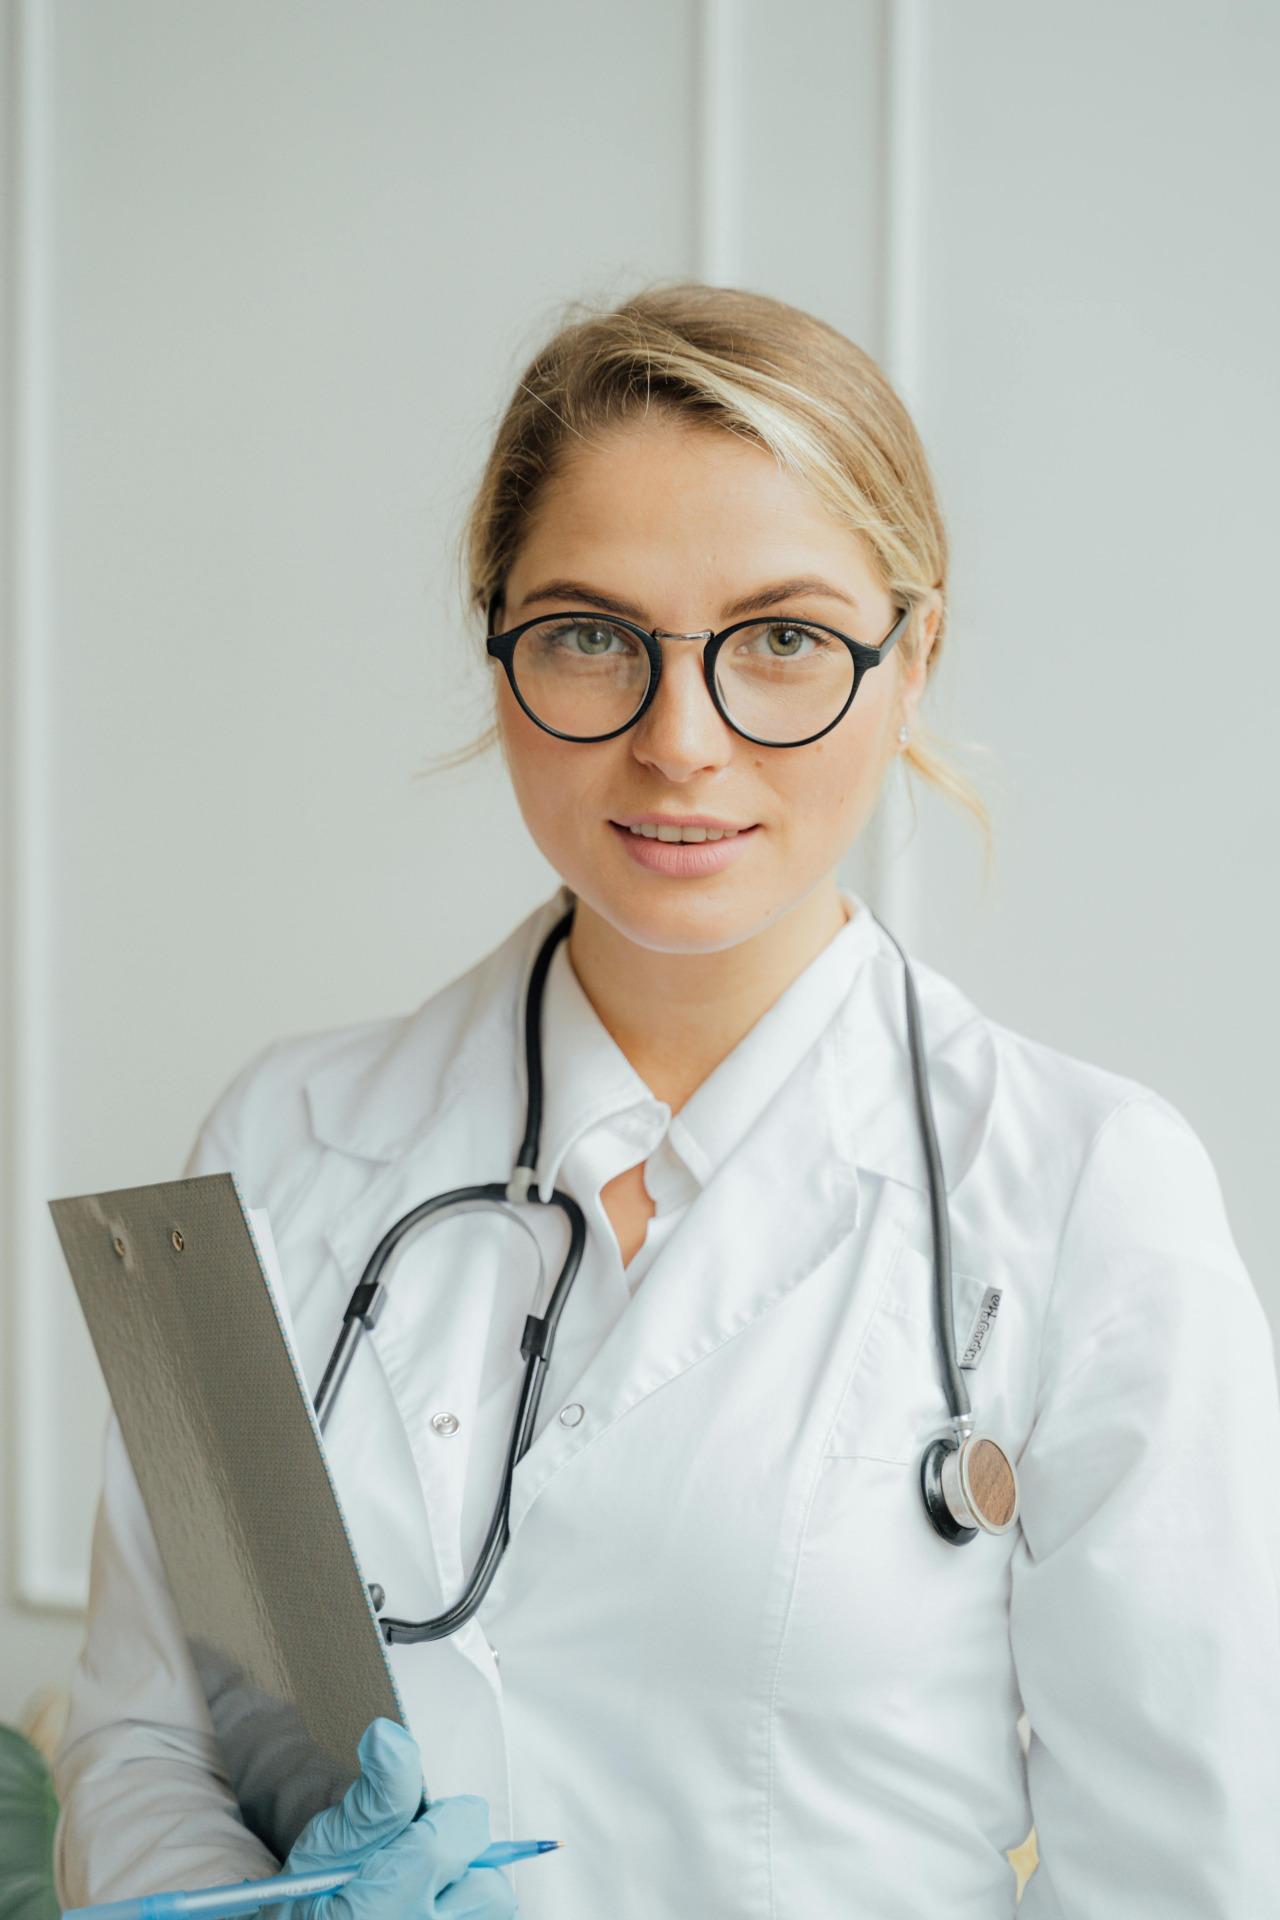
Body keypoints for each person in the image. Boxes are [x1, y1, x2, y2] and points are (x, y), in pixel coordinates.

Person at [53, 282, 1280, 1918]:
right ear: (498, 649)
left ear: (911, 659)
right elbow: (146, 1745)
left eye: (781, 640)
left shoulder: (1087, 1196)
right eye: (590, 636)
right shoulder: (283, 1141)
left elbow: (1184, 1880)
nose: (680, 741)